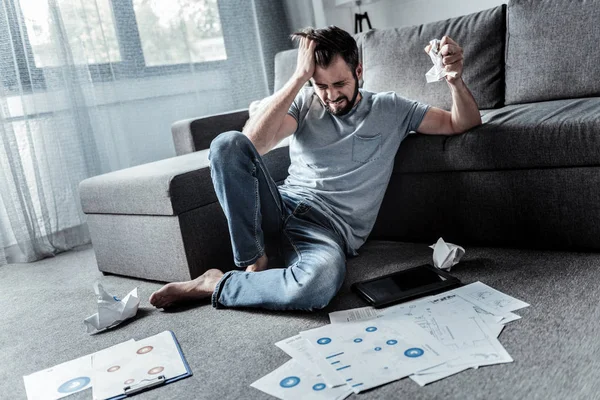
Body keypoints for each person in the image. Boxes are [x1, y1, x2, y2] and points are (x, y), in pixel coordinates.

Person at [149, 26, 481, 311]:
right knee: (226, 143)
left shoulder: (391, 108)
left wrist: (454, 80)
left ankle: (217, 284)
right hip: (281, 205)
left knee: (318, 286)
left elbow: (459, 122)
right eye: (321, 86)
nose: (331, 97)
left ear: (359, 72)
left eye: (339, 85)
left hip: (326, 231)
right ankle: (256, 260)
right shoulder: (306, 102)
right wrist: (299, 78)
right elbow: (250, 144)